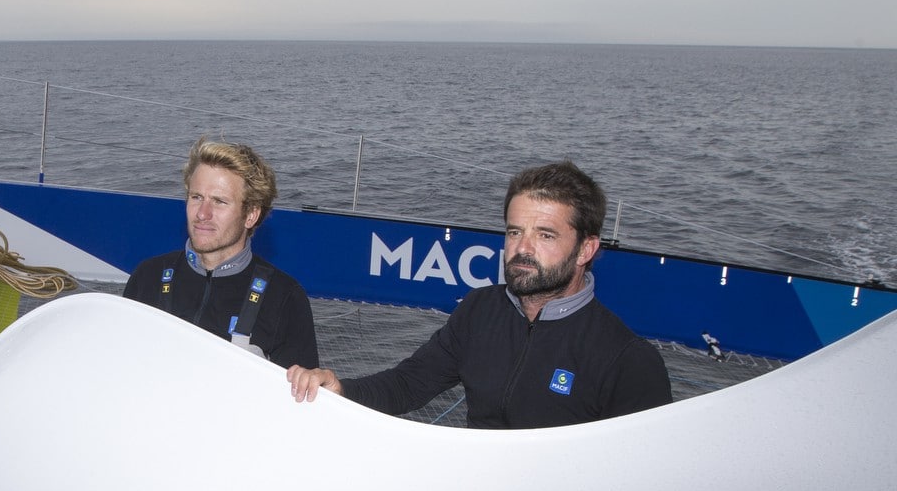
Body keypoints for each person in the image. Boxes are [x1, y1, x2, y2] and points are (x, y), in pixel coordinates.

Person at [286, 161, 671, 428]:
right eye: (514, 231)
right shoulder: (480, 310)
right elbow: (409, 384)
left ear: (586, 250)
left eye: (546, 235)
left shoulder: (628, 360)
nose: (523, 248)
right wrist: (341, 389)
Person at [124, 138, 319, 369]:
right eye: (196, 197)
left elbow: (297, 402)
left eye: (219, 202)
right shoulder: (148, 277)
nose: (202, 214)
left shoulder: (285, 298)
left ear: (251, 215)